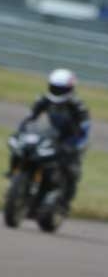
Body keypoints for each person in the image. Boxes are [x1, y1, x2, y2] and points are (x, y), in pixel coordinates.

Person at [11, 68, 90, 212]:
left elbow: (85, 129)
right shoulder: (43, 100)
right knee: (21, 149)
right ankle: (14, 175)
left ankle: (64, 201)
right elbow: (29, 118)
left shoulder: (77, 106)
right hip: (51, 136)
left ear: (70, 89)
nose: (57, 91)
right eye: (55, 88)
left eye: (61, 89)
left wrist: (74, 145)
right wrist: (22, 131)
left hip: (70, 141)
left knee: (71, 169)